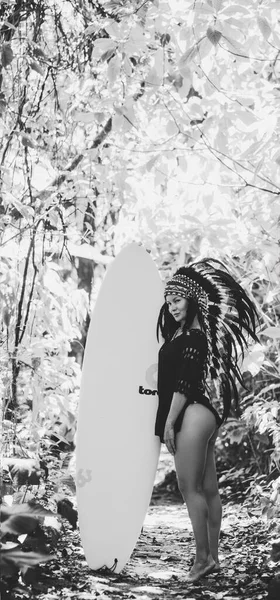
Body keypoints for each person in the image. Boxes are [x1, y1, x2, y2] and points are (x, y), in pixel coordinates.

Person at [155, 258, 259, 583]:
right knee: (210, 489)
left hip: (191, 413)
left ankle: (202, 561)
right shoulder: (188, 335)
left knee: (189, 488)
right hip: (205, 415)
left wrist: (170, 423)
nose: (172, 307)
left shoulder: (193, 337)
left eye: (178, 300)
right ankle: (213, 556)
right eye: (169, 302)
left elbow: (184, 386)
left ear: (193, 299)